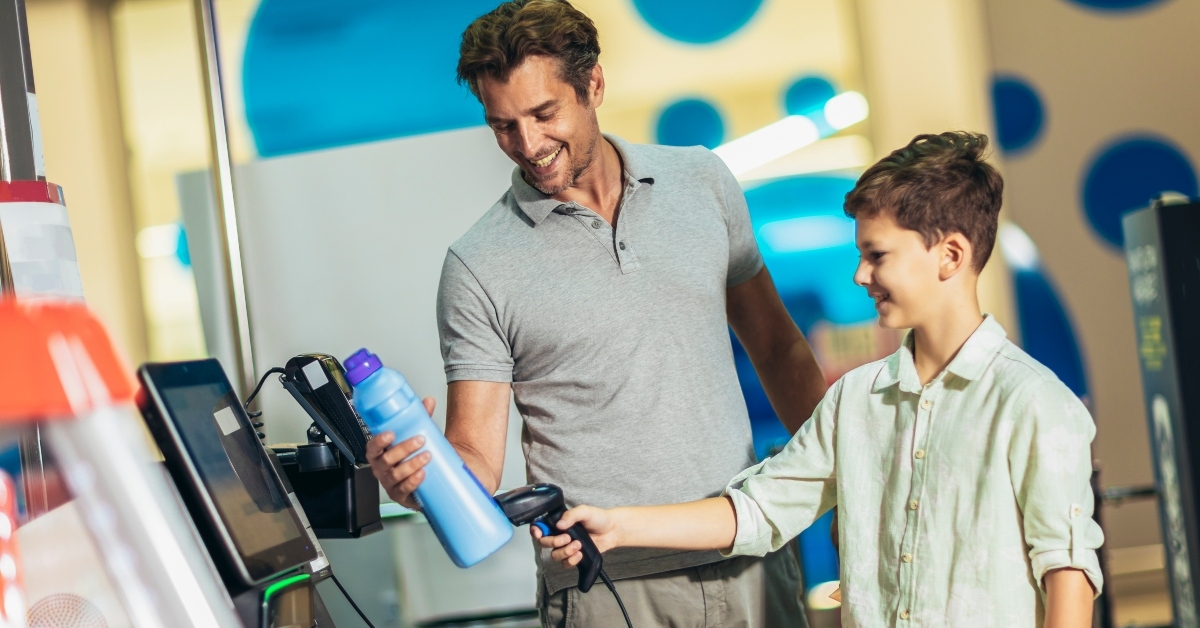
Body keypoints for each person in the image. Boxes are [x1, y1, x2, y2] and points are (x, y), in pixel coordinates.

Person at [364, 0, 828, 625]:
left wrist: (842, 481)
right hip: (604, 587)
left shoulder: (702, 181)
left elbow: (777, 348)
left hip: (748, 555)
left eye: (543, 114)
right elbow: (474, 454)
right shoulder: (478, 265)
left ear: (594, 85)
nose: (528, 145)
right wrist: (419, 482)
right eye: (503, 126)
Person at [543, 131, 1105, 627]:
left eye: (877, 255)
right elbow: (759, 509)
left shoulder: (1034, 403)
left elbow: (1068, 574)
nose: (861, 275)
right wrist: (619, 526)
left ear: (950, 254)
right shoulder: (853, 403)